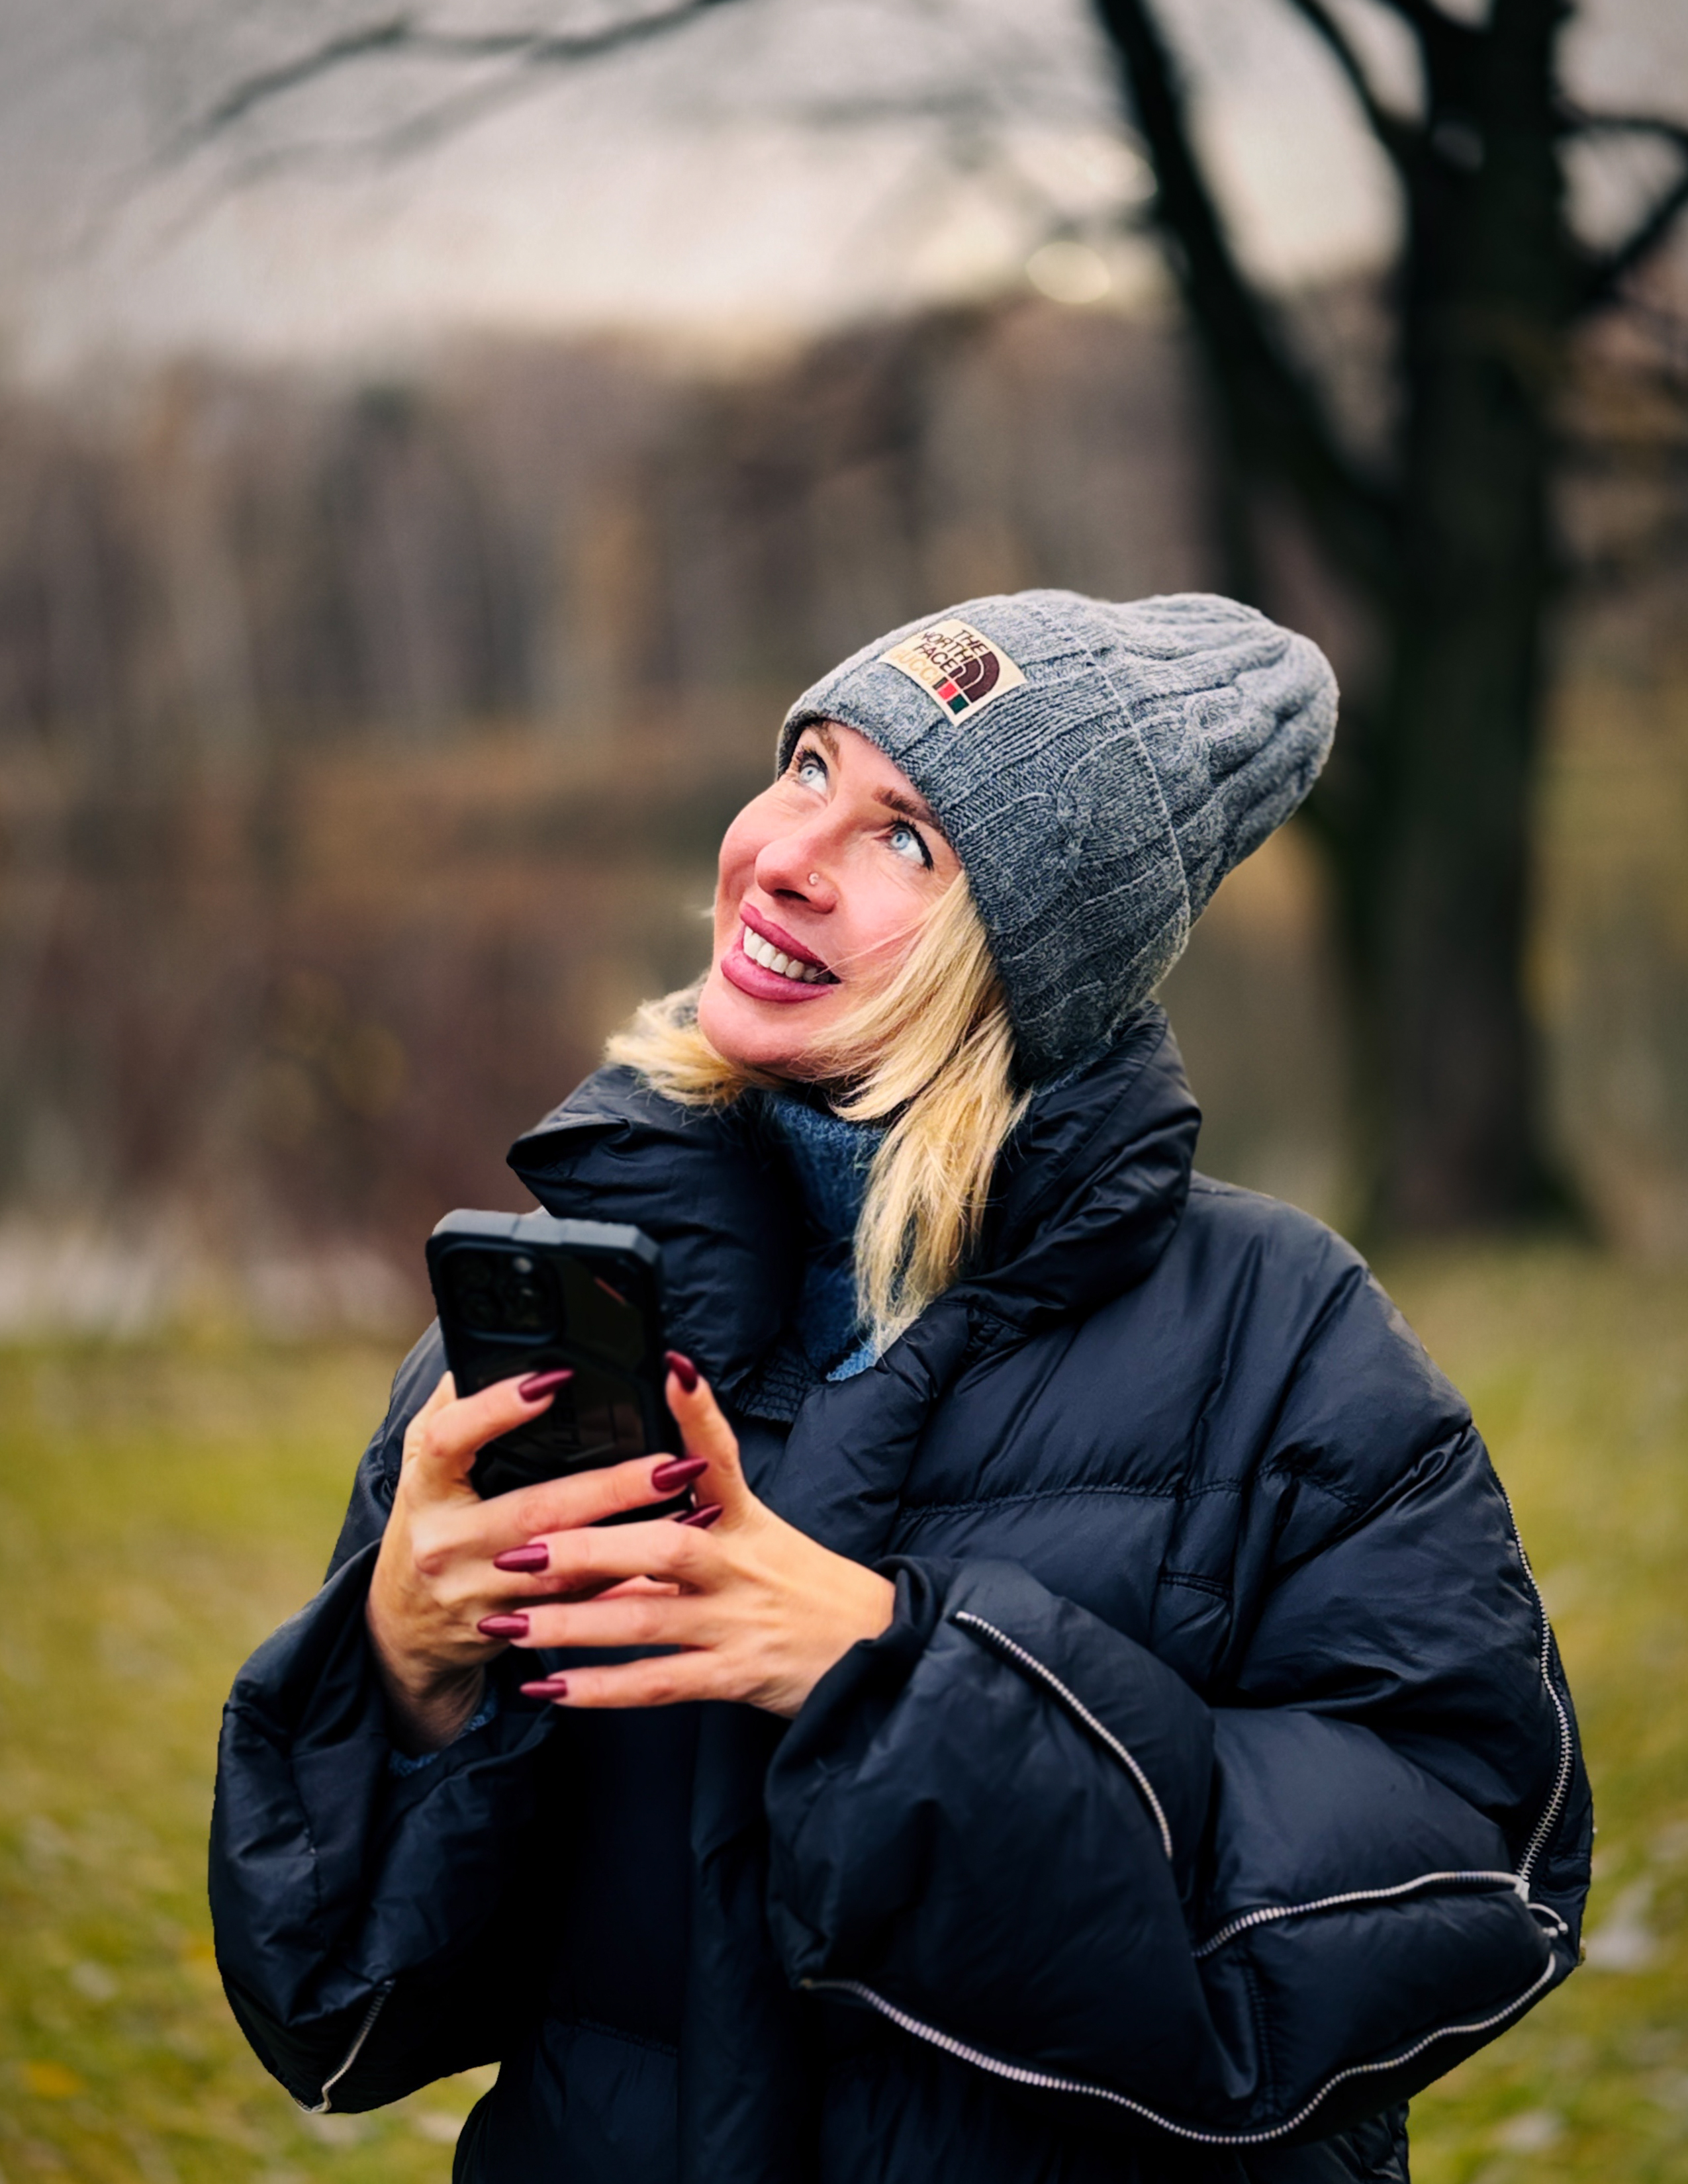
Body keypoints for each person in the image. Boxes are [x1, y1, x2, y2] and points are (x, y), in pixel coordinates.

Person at [210, 592, 1589, 2184]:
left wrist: (892, 1674)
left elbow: (1467, 1879)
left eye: (909, 839)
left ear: (1036, 958)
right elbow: (336, 2010)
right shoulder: (564, 1312)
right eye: (806, 767)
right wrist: (402, 1674)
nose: (789, 856)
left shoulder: (1285, 1341)